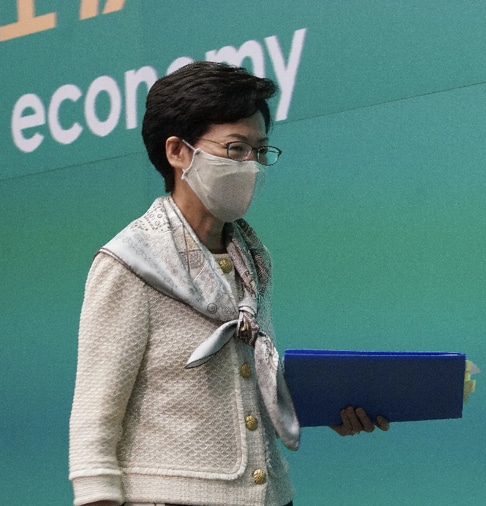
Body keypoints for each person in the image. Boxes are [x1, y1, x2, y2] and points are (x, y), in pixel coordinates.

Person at [68, 61, 387, 506]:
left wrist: (327, 407)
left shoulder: (252, 258)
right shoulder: (130, 261)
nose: (251, 166)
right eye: (235, 148)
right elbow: (95, 414)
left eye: (260, 151)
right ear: (177, 152)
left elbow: (247, 379)